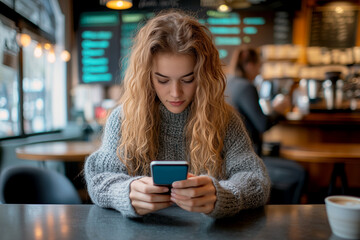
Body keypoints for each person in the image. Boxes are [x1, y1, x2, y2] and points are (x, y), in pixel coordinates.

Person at [84, 10, 270, 219]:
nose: (175, 93)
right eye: (162, 80)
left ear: (203, 76)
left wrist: (222, 195)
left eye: (188, 79)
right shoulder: (123, 119)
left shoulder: (225, 120)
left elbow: (256, 180)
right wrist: (126, 191)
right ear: (147, 76)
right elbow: (98, 179)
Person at [225, 46, 291, 156]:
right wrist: (279, 110)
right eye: (259, 66)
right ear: (250, 66)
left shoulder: (228, 82)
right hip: (249, 153)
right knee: (299, 172)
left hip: (232, 152)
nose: (259, 71)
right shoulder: (246, 87)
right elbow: (262, 125)